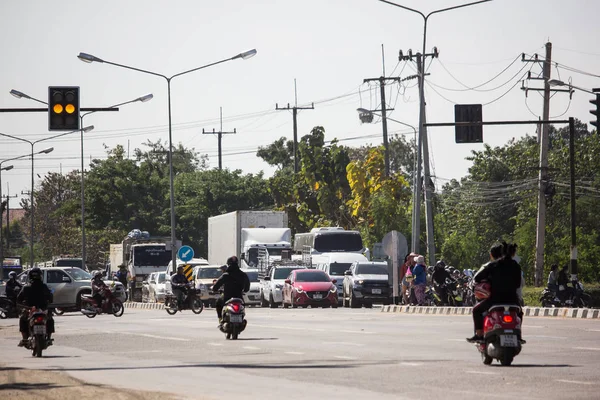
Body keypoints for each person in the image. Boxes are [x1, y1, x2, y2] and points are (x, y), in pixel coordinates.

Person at [468, 243, 522, 343]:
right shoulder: (516, 266)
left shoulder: (493, 265)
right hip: (512, 300)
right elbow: (518, 284)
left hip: (495, 300)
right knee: (519, 313)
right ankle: (518, 335)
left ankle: (479, 335)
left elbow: (477, 278)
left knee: (476, 310)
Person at [16, 267, 54, 347]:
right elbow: (50, 298)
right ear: (40, 276)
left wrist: (25, 307)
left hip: (30, 310)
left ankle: (24, 339)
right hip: (42, 310)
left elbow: (18, 299)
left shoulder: (26, 287)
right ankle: (49, 338)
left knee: (23, 319)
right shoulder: (44, 287)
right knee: (50, 319)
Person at [212, 256, 250, 327]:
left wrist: (214, 289)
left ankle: (220, 319)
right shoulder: (243, 275)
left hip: (227, 298)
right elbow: (247, 287)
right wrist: (244, 290)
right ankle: (241, 319)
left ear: (228, 264)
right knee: (242, 307)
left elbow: (216, 286)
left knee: (218, 303)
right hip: (239, 298)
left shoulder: (226, 275)